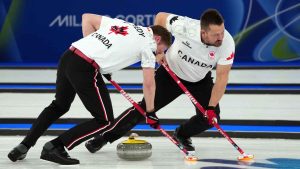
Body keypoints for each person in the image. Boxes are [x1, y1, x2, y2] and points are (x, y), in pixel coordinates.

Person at [7, 13, 172, 165]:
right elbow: (149, 83)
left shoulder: (124, 24)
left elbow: (87, 18)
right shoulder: (148, 45)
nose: (158, 54)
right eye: (160, 51)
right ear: (157, 39)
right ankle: (55, 146)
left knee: (59, 105)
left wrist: (92, 50)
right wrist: (150, 112)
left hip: (70, 55)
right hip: (84, 68)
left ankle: (23, 147)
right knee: (105, 120)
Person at [85, 8, 235, 156]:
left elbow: (222, 77)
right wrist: (159, 51)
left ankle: (182, 134)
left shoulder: (226, 43)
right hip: (170, 73)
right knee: (143, 109)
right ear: (203, 32)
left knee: (210, 118)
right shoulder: (186, 27)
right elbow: (161, 17)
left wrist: (210, 107)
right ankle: (104, 138)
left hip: (200, 79)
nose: (221, 37)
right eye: (216, 35)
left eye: (222, 32)